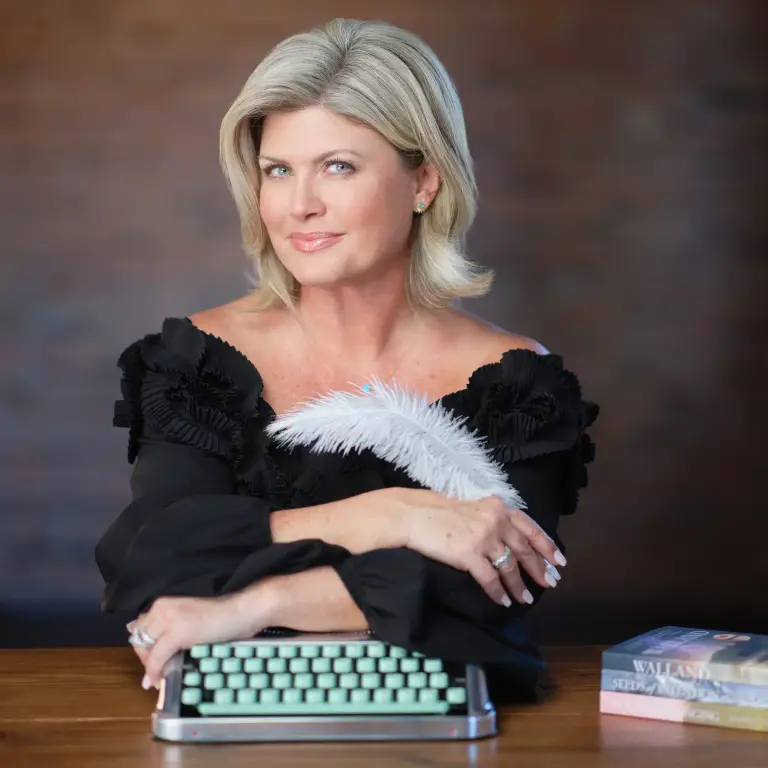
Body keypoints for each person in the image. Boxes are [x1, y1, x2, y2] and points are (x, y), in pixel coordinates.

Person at [95, 18, 599, 698]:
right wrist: (385, 518)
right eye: (279, 170)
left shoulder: (516, 386)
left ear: (424, 181)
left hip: (440, 725)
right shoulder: (197, 362)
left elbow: (485, 597)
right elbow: (151, 557)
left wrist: (248, 605)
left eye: (338, 166)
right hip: (226, 718)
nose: (300, 206)